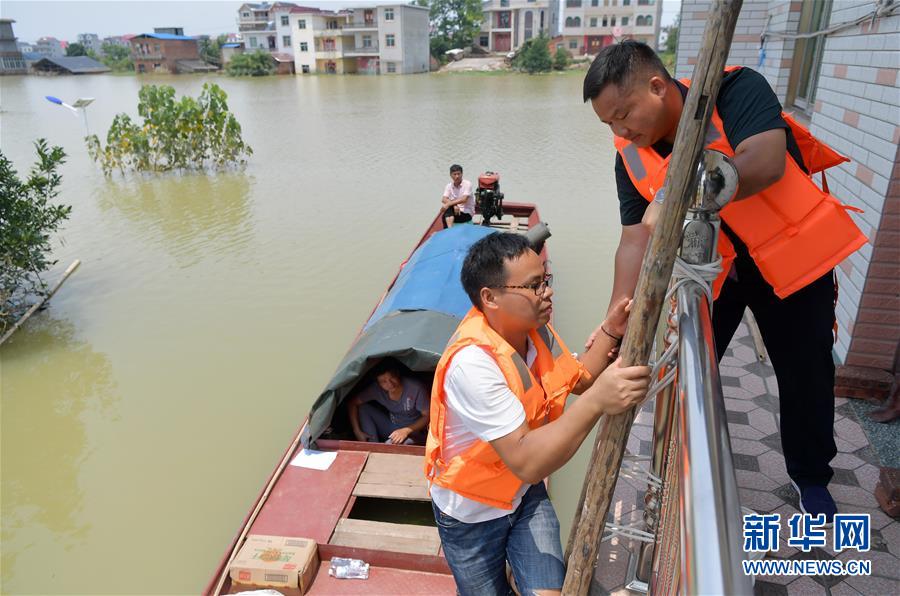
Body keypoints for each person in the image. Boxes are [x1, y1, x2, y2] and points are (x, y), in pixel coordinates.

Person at [582, 40, 866, 522]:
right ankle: (680, 470)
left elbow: (765, 160)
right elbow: (634, 240)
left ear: (657, 86)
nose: (621, 130)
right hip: (715, 273)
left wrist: (677, 193)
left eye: (624, 114)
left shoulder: (735, 90)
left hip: (792, 259)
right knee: (687, 371)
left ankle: (811, 476)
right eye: (609, 123)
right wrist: (617, 319)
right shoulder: (629, 156)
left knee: (806, 374)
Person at [424, 232, 651, 595]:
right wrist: (596, 403)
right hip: (472, 513)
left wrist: (611, 329)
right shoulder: (473, 363)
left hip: (524, 495)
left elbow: (579, 379)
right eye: (533, 285)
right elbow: (529, 461)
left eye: (546, 280)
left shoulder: (534, 332)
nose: (547, 292)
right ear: (490, 297)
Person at [348, 361, 430, 445]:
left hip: (414, 432)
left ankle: (381, 449)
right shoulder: (376, 389)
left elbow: (427, 416)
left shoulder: (415, 388)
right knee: (363, 408)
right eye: (384, 381)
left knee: (390, 444)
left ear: (397, 374)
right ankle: (371, 445)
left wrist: (406, 430)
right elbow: (353, 403)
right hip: (393, 425)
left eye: (392, 378)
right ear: (378, 383)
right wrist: (357, 431)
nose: (390, 384)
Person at [442, 164, 475, 228]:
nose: (457, 176)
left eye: (458, 174)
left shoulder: (467, 184)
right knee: (447, 212)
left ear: (462, 174)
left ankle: (449, 231)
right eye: (454, 174)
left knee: (446, 212)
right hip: (455, 211)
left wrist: (449, 204)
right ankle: (449, 230)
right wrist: (454, 205)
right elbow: (443, 199)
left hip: (466, 213)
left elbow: (464, 199)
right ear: (450, 175)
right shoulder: (449, 186)